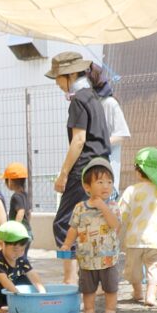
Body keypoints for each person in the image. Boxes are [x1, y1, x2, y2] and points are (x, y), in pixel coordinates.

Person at [46, 51, 111, 285]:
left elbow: (79, 140)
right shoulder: (93, 97)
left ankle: (70, 280)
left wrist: (63, 174)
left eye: (57, 77)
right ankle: (99, 282)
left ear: (70, 75)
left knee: (65, 223)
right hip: (103, 169)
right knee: (92, 224)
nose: (56, 83)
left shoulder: (78, 100)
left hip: (84, 170)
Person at [60, 157, 121, 313]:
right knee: (88, 288)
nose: (106, 186)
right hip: (87, 258)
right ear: (87, 186)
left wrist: (103, 207)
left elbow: (115, 225)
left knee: (110, 287)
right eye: (100, 182)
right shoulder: (80, 208)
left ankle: (110, 310)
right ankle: (89, 310)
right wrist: (67, 244)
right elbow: (73, 228)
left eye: (109, 182)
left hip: (108, 258)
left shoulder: (113, 206)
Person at [119, 147, 157, 308]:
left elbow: (121, 214)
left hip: (135, 240)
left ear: (138, 171)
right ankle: (151, 295)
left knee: (133, 270)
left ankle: (137, 291)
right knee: (156, 268)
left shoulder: (131, 191)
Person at [87, 63, 131, 195]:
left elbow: (121, 136)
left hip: (107, 174)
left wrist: (96, 145)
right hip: (90, 174)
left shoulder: (110, 103)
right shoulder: (86, 104)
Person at [0, 221, 45, 310]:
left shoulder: (21, 258)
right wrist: (19, 297)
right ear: (1, 244)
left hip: (11, 292)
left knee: (24, 278)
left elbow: (32, 274)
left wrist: (42, 292)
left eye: (22, 250)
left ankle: (20, 300)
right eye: (15, 250)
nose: (19, 253)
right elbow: (5, 281)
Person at [3, 162, 32, 255]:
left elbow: (21, 212)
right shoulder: (25, 195)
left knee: (17, 258)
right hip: (27, 231)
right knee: (22, 257)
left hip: (19, 234)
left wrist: (15, 229)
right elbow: (29, 213)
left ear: (10, 181)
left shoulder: (16, 196)